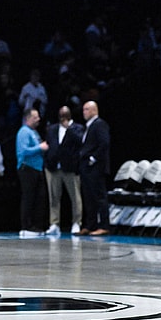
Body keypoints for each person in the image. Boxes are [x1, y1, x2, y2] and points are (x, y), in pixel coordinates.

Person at [44, 106, 84, 236]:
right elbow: (49, 145)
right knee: (54, 197)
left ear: (70, 116)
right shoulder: (52, 129)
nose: (63, 118)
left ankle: (76, 222)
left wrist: (69, 129)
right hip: (54, 167)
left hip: (70, 169)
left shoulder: (77, 128)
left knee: (75, 197)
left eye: (65, 115)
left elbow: (80, 142)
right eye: (61, 116)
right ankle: (54, 223)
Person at [79, 100, 111, 236]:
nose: (84, 112)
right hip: (87, 167)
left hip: (96, 167)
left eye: (86, 109)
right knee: (88, 196)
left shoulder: (100, 124)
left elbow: (104, 143)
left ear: (93, 110)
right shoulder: (88, 126)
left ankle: (103, 225)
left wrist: (93, 158)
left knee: (99, 196)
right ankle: (90, 225)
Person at [15, 108, 48, 238]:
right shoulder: (24, 132)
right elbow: (23, 151)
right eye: (35, 117)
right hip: (27, 168)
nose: (38, 119)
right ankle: (26, 226)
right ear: (28, 118)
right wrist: (40, 147)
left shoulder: (34, 132)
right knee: (28, 198)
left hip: (37, 168)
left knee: (39, 198)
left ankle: (36, 225)